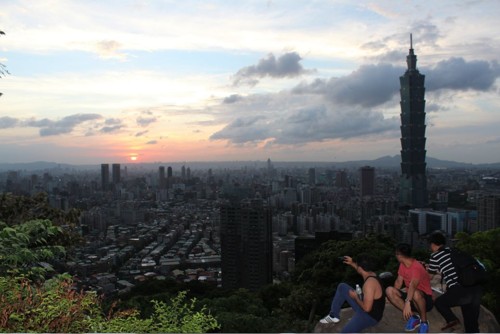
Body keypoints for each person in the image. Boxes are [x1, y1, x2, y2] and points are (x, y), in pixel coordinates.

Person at [427, 231, 482, 333]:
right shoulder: (454, 251)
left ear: (433, 244)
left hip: (461, 290)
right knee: (472, 325)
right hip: (475, 289)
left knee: (440, 303)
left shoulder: (435, 256)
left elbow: (429, 276)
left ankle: (453, 321)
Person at [319, 254, 385, 333]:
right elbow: (360, 269)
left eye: (357, 264)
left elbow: (367, 309)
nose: (356, 265)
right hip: (367, 306)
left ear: (361, 268)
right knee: (342, 287)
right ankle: (334, 316)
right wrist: (351, 263)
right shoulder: (372, 274)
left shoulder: (369, 284)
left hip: (370, 316)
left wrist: (355, 297)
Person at [386, 243, 433, 333]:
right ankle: (413, 318)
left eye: (396, 254)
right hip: (411, 298)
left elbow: (413, 285)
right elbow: (399, 282)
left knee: (415, 292)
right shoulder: (403, 264)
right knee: (389, 290)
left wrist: (408, 302)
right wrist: (390, 297)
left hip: (425, 301)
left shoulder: (416, 267)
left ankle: (424, 322)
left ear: (399, 255)